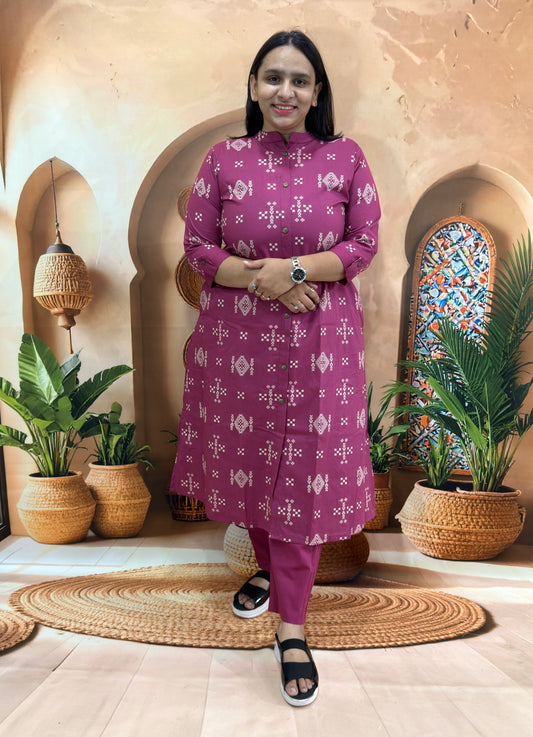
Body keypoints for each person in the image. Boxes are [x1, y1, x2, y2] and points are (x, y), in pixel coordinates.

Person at [169, 29, 381, 707]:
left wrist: (291, 272)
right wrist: (265, 282)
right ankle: (267, 569)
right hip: (240, 339)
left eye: (299, 79)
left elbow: (362, 243)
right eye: (273, 77)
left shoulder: (346, 157)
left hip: (321, 340)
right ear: (255, 87)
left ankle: (292, 627)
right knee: (252, 461)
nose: (285, 90)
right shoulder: (222, 160)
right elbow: (198, 247)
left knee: (303, 475)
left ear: (317, 92)